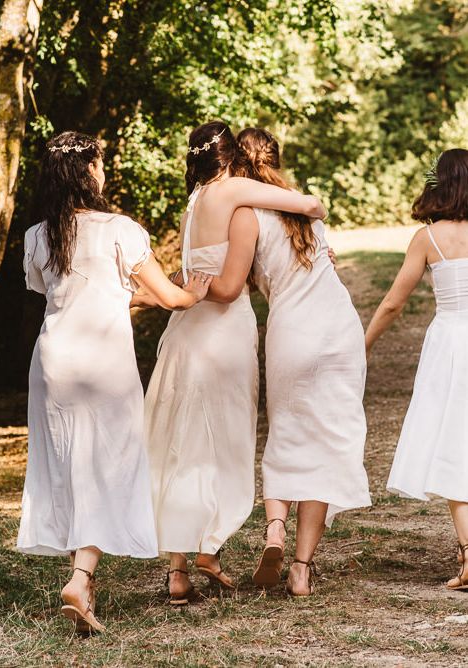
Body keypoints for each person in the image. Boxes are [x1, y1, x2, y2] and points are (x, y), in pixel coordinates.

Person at [16, 131, 212, 634]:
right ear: (88, 173)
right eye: (100, 164)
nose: (104, 172)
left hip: (54, 362)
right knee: (113, 462)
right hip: (105, 362)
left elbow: (68, 296)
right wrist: (193, 293)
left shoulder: (38, 235)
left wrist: (144, 298)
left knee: (69, 464)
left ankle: (82, 579)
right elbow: (169, 298)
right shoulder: (120, 229)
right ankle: (81, 577)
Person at [144, 121, 330, 605]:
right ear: (230, 157)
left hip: (184, 335)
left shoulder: (191, 204)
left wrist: (182, 292)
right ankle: (209, 547)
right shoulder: (236, 195)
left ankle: (180, 571)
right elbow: (308, 208)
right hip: (224, 337)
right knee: (225, 440)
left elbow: (187, 276)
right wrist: (311, 216)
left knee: (185, 442)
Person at [365, 148, 468, 591]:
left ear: (438, 184)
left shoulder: (428, 238)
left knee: (453, 446)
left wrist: (363, 345)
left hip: (450, 343)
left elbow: (393, 302)